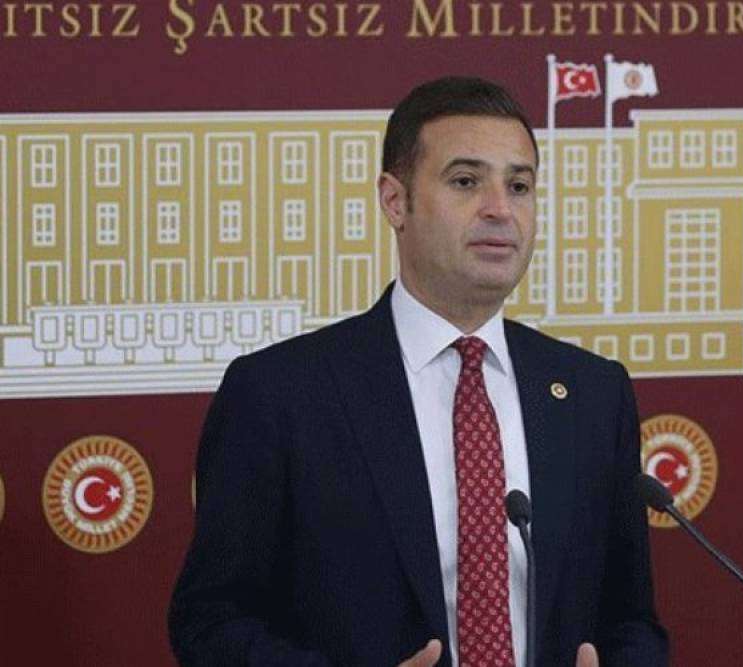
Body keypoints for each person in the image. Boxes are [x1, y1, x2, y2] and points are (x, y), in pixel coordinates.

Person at [169, 77, 669, 666]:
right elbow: (212, 625)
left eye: (519, 186)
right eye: (465, 181)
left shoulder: (592, 393)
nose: (500, 209)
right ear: (394, 201)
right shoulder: (281, 394)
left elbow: (631, 622)